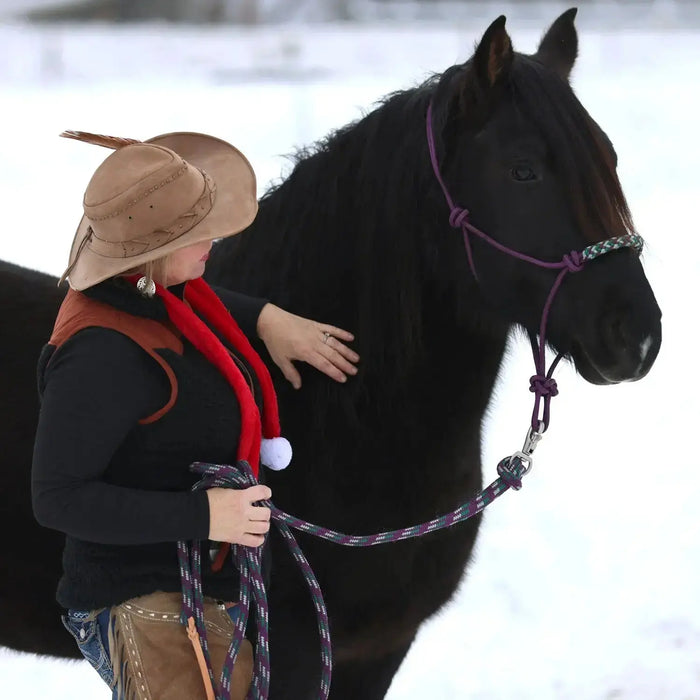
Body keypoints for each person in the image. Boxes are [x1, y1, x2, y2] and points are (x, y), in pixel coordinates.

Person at [31, 131, 359, 700]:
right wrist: (203, 515)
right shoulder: (102, 354)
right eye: (195, 232)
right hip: (143, 601)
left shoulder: (148, 290)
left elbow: (190, 301)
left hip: (192, 590)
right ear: (149, 250)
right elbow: (57, 496)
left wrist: (263, 317)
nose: (215, 238)